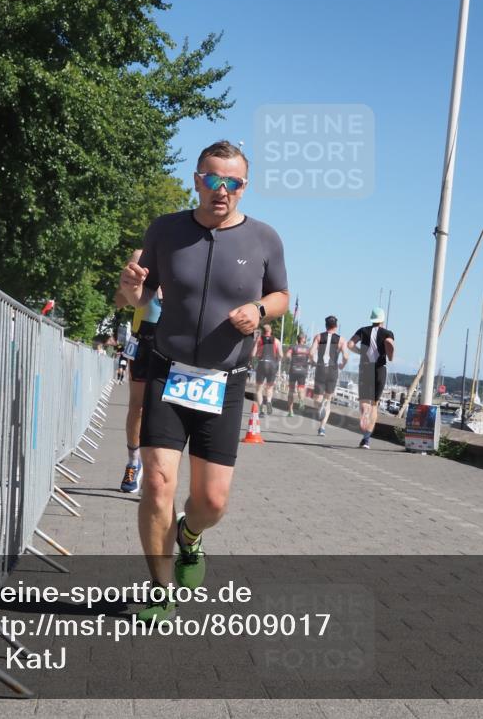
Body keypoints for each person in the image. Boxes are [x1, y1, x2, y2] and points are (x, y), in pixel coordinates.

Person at [118, 140, 288, 622]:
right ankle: (160, 589)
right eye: (214, 179)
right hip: (168, 371)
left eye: (233, 183)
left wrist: (258, 310)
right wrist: (130, 290)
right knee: (157, 483)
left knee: (211, 500)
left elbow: (280, 295)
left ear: (244, 187)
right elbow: (137, 293)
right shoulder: (166, 230)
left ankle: (190, 535)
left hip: (225, 380)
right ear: (197, 180)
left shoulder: (264, 239)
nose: (223, 190)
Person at [115, 249, 163, 494]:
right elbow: (119, 301)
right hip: (144, 338)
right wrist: (132, 287)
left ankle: (156, 473)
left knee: (165, 411)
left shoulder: (189, 256)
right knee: (138, 407)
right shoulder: (141, 256)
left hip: (175, 341)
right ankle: (133, 462)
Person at [346, 307, 395, 449]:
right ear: (382, 320)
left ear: (371, 319)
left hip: (365, 368)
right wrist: (390, 354)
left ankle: (363, 415)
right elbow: (390, 346)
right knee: (374, 403)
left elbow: (349, 344)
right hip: (380, 369)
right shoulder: (387, 333)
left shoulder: (363, 330)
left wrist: (360, 352)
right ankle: (366, 440)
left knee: (364, 401)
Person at [310, 316, 348, 437]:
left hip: (321, 368)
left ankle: (320, 406)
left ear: (325, 325)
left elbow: (311, 353)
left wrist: (313, 362)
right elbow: (346, 357)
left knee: (316, 400)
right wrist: (342, 364)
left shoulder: (318, 337)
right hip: (333, 370)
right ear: (336, 326)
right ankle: (322, 428)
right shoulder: (341, 340)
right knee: (328, 400)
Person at [253, 323, 282, 414]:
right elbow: (281, 355)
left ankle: (261, 408)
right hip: (272, 365)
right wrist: (277, 360)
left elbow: (253, 354)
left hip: (262, 364)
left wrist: (257, 353)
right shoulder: (276, 341)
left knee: (259, 389)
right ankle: (269, 401)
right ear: (271, 331)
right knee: (269, 388)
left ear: (263, 331)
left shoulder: (259, 339)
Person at [284, 333, 312, 417]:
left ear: (298, 339)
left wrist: (289, 359)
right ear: (303, 339)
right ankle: (301, 401)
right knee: (301, 388)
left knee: (291, 391)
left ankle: (290, 411)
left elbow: (288, 355)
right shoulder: (307, 349)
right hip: (303, 371)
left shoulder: (293, 347)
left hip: (293, 370)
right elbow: (311, 358)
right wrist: (309, 362)